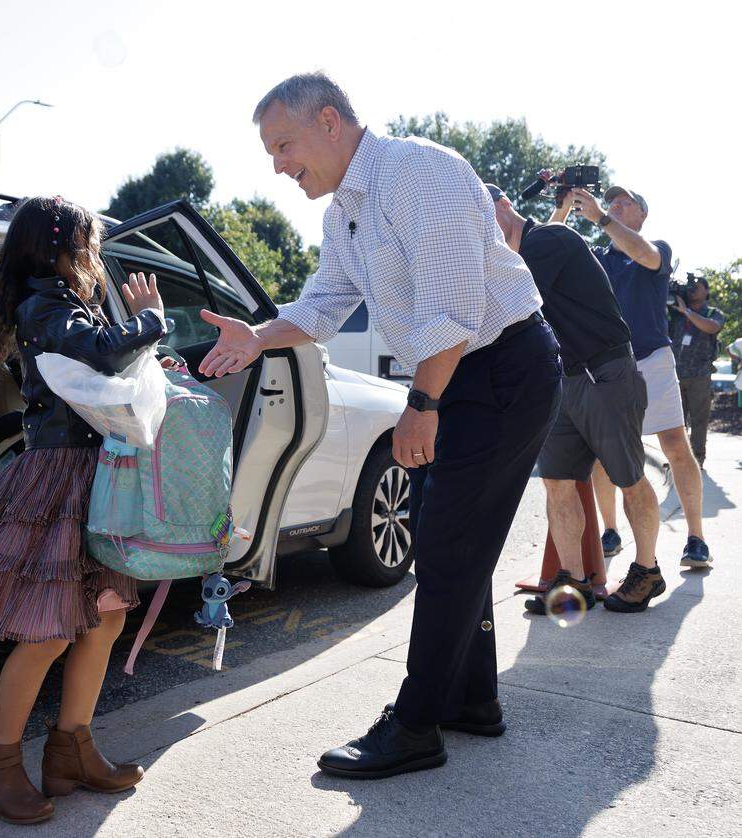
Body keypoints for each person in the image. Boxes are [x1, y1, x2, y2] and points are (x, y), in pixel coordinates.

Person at [198, 72, 561, 780]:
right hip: (458, 372)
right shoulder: (343, 216)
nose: (276, 164)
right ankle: (472, 699)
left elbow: (453, 310)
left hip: (500, 368)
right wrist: (258, 335)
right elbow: (326, 302)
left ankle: (416, 724)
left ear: (329, 121)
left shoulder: (419, 173)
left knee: (449, 542)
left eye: (283, 144)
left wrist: (421, 406)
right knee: (444, 537)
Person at [0, 197, 166, 825]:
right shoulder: (45, 304)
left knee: (103, 619)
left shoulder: (59, 300)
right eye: (88, 241)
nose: (94, 253)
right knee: (49, 629)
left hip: (94, 475)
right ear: (60, 246)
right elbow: (106, 354)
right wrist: (150, 321)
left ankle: (72, 751)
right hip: (59, 479)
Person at [486, 185, 663, 612]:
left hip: (606, 372)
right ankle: (574, 581)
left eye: (483, 209)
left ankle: (647, 571)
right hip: (564, 379)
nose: (477, 222)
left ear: (505, 205)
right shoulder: (516, 255)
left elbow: (507, 300)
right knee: (558, 483)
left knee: (629, 477)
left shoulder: (548, 239)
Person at [556, 186, 712, 569]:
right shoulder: (595, 257)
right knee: (603, 457)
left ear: (642, 215)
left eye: (624, 203)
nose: (614, 206)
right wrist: (561, 210)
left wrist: (601, 219)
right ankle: (611, 531)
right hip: (606, 366)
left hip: (651, 359)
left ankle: (696, 538)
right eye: (611, 202)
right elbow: (547, 250)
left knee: (676, 444)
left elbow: (643, 253)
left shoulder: (655, 247)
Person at [669, 276, 724, 471]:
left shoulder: (712, 313)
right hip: (675, 375)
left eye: (697, 287)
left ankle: (697, 460)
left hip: (699, 375)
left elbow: (712, 327)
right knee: (675, 423)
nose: (692, 290)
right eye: (690, 288)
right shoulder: (675, 314)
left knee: (699, 421)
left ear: (707, 291)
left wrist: (687, 311)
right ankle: (678, 460)